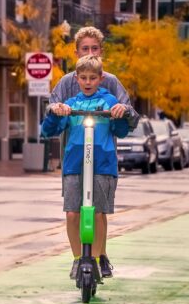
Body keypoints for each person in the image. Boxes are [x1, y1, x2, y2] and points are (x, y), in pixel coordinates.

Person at [49, 26, 138, 278]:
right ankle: (78, 259)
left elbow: (129, 114)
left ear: (102, 51)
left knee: (99, 208)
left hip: (102, 154)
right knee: (74, 209)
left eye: (94, 48)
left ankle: (101, 255)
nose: (90, 52)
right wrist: (56, 109)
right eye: (85, 49)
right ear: (76, 52)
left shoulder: (110, 81)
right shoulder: (67, 82)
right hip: (75, 154)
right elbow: (51, 108)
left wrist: (123, 110)